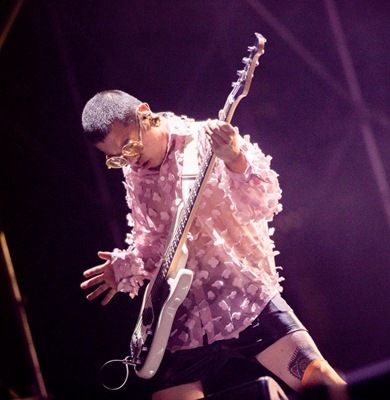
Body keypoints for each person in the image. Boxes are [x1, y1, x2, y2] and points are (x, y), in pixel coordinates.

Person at [79, 90, 346, 399]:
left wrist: (235, 158)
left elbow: (265, 199)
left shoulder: (208, 139)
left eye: (130, 146)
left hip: (242, 295)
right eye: (118, 158)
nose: (131, 159)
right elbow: (156, 243)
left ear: (144, 114)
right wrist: (126, 266)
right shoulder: (135, 175)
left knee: (320, 379)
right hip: (184, 318)